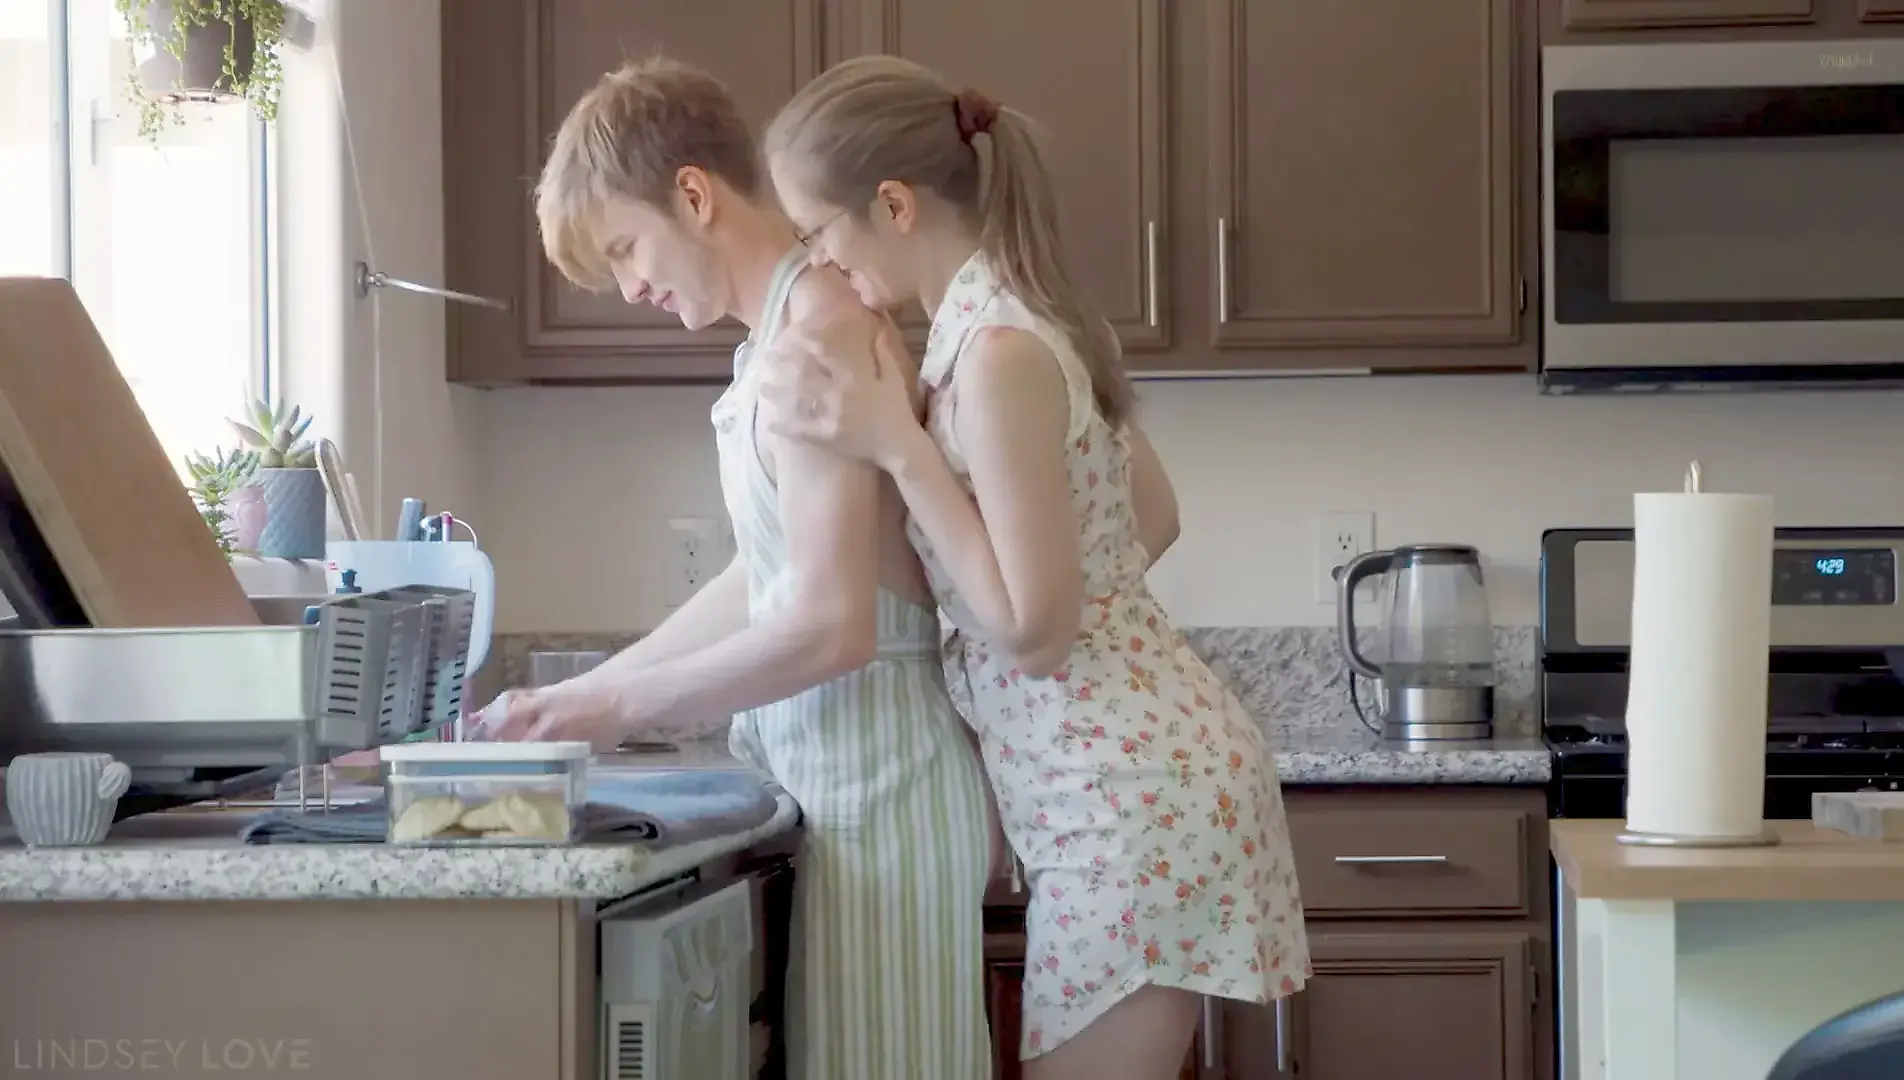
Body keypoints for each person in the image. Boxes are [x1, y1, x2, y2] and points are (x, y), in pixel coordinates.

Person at [752, 55, 1313, 1080]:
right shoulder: (1011, 321)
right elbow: (1151, 516)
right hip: (1131, 783)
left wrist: (900, 450)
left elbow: (1037, 633)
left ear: (893, 205)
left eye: (818, 231)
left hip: (1129, 800)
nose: (818, 261)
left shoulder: (998, 355)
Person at [479, 56, 996, 1080]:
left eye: (626, 248)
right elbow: (763, 582)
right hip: (839, 785)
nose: (631, 287)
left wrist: (612, 708)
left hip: (884, 790)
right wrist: (579, 696)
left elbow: (832, 627)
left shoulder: (819, 336)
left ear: (693, 193)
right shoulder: (773, 343)